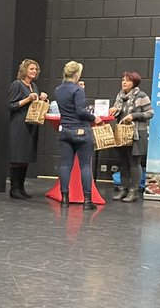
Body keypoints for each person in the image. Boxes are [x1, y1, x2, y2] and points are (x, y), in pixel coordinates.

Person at [54, 61, 97, 210]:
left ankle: (64, 198)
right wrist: (94, 118)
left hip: (65, 130)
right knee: (85, 165)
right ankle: (87, 201)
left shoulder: (58, 90)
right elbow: (80, 111)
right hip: (81, 131)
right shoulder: (78, 90)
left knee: (66, 165)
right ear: (77, 74)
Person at [110, 71, 153, 202]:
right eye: (123, 80)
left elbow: (150, 113)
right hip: (122, 133)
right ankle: (123, 189)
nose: (124, 82)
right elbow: (118, 112)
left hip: (137, 134)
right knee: (123, 163)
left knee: (134, 163)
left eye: (128, 80)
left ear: (134, 83)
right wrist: (113, 110)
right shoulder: (120, 96)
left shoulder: (141, 96)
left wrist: (133, 116)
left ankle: (134, 191)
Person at [6, 59, 47, 200]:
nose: (34, 71)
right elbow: (11, 105)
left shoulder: (34, 86)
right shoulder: (17, 85)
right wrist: (27, 99)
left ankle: (21, 187)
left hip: (30, 125)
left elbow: (35, 105)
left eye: (35, 69)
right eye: (31, 69)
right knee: (18, 157)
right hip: (19, 125)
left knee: (25, 157)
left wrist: (42, 99)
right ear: (24, 70)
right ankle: (14, 188)